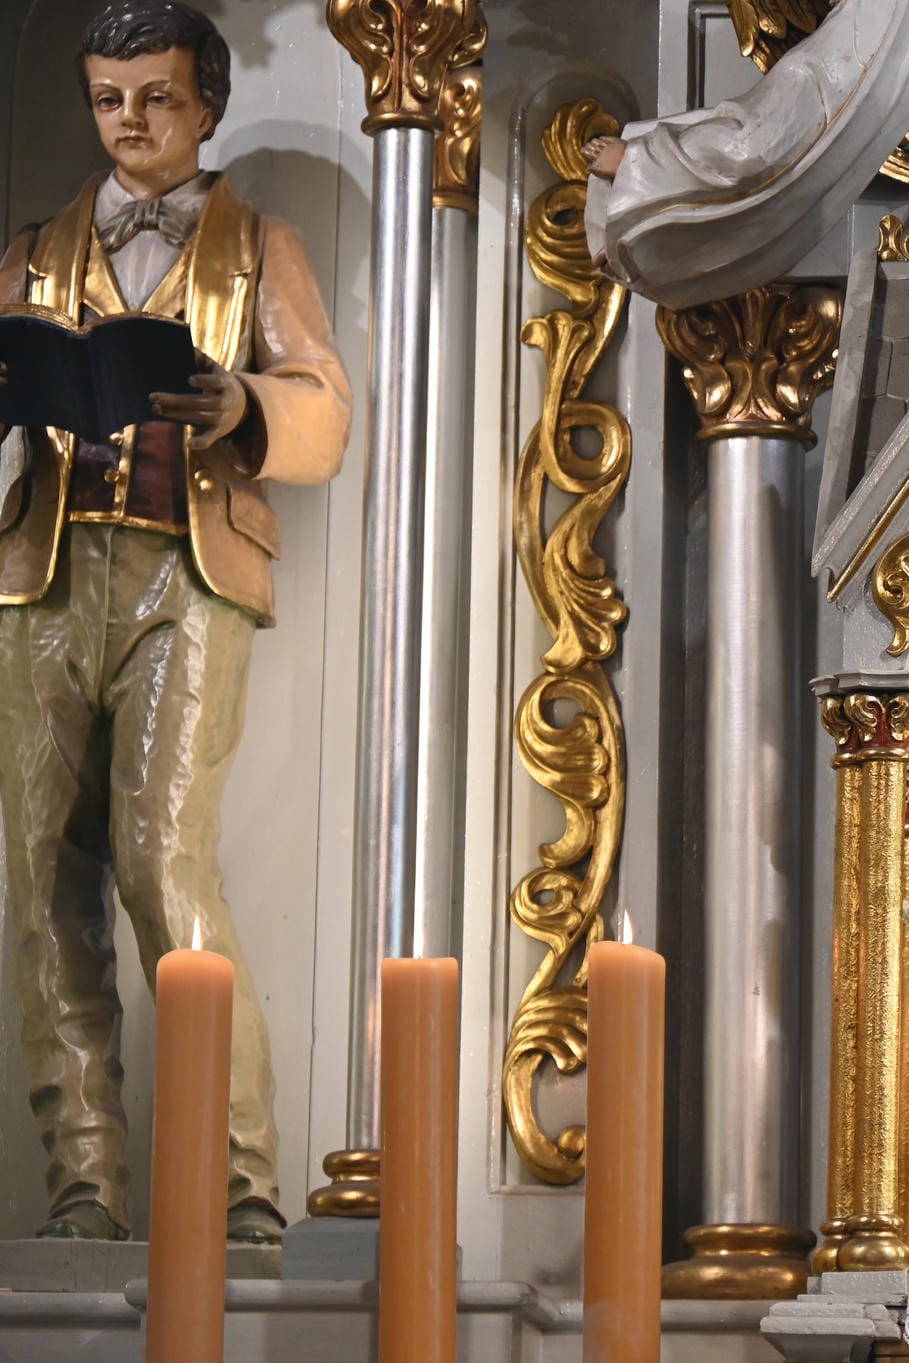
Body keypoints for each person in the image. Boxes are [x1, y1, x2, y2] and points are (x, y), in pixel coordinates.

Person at [0, 1, 351, 1244]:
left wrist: (244, 403)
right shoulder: (34, 249)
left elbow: (323, 405)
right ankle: (84, 1183)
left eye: (157, 97)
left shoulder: (256, 242)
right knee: (40, 874)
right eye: (110, 98)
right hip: (42, 576)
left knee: (161, 857)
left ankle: (237, 1176)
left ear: (207, 104)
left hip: (183, 575)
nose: (131, 121)